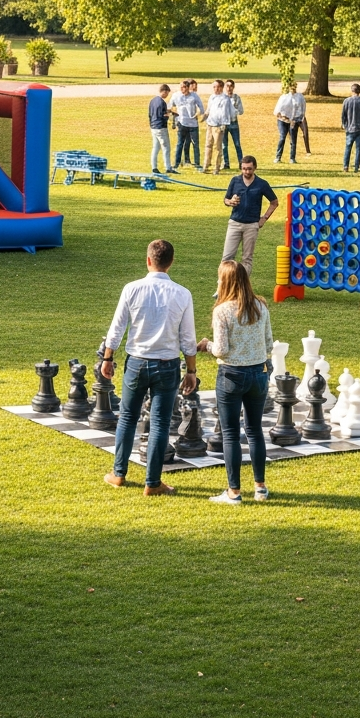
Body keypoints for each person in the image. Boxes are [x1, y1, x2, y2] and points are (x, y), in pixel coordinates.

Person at [101, 239, 198, 495]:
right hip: (167, 365)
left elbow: (117, 327)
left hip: (136, 362)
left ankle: (119, 474)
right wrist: (191, 371)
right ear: (171, 263)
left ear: (148, 260)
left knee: (128, 418)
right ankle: (152, 483)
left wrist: (108, 358)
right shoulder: (182, 293)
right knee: (159, 423)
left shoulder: (131, 289)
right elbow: (188, 338)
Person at [198, 260, 274, 505]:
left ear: (226, 281)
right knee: (254, 431)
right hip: (259, 374)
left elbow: (220, 350)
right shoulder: (260, 306)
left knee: (230, 434)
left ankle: (234, 492)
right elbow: (270, 344)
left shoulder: (222, 311)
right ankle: (260, 487)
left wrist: (206, 345)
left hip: (231, 375)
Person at [221, 156, 279, 276]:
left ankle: (244, 287)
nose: (246, 172)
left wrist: (264, 218)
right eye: (244, 169)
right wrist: (230, 202)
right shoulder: (235, 181)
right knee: (227, 257)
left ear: (255, 168)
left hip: (252, 225)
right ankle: (222, 286)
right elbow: (226, 199)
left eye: (249, 169)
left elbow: (274, 202)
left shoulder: (262, 184)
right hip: (235, 223)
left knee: (247, 259)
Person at [170, 79, 204, 170]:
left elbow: (201, 107)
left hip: (193, 124)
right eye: (181, 87)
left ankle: (197, 163)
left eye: (184, 87)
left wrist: (198, 114)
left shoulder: (194, 96)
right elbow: (170, 107)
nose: (182, 89)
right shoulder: (176, 96)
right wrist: (174, 115)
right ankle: (176, 163)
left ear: (188, 87)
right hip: (181, 123)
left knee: (195, 144)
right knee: (180, 143)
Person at [202, 79, 231, 175]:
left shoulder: (225, 99)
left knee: (217, 147)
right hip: (210, 124)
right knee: (208, 145)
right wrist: (203, 117)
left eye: (217, 86)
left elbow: (225, 113)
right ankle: (206, 166)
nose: (215, 89)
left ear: (221, 87)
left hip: (218, 126)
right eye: (214, 87)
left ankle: (216, 167)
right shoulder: (212, 97)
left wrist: (223, 125)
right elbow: (208, 110)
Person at [341, 82, 360, 173]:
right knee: (358, 148)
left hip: (350, 128)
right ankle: (356, 167)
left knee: (348, 148)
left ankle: (345, 166)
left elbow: (344, 115)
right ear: (359, 91)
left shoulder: (346, 101)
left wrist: (343, 124)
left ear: (352, 91)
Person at [273, 82, 305, 164]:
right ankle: (278, 157)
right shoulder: (284, 97)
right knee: (282, 137)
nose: (293, 88)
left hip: (294, 120)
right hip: (283, 120)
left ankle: (292, 158)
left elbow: (302, 108)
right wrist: (282, 116)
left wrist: (298, 119)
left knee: (293, 140)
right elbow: (277, 110)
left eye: (294, 86)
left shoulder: (299, 97)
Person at [148, 84, 176, 174]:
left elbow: (151, 114)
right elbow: (162, 116)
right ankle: (168, 167)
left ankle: (154, 167)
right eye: (167, 93)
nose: (167, 95)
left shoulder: (152, 101)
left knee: (155, 147)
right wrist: (169, 116)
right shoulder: (162, 102)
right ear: (164, 91)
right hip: (161, 127)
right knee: (166, 148)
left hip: (153, 127)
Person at [222, 78, 244, 170]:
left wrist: (234, 111)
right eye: (227, 86)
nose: (229, 88)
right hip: (223, 123)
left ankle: (241, 163)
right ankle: (226, 163)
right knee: (224, 145)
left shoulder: (236, 98)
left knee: (237, 144)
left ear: (233, 87)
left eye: (231, 86)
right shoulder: (222, 97)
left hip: (233, 122)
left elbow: (241, 111)